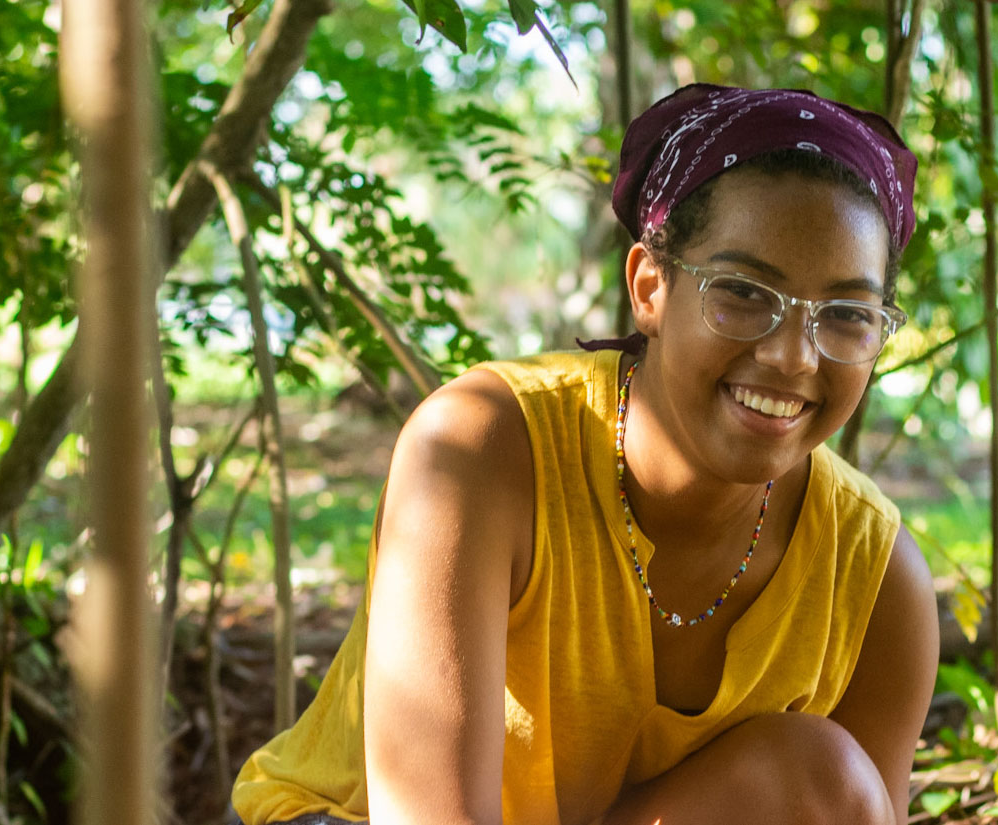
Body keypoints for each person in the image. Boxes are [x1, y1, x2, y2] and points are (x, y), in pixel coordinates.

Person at [231, 82, 940, 825]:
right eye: (742, 291)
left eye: (847, 315)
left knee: (823, 784)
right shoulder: (482, 449)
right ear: (649, 286)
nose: (793, 356)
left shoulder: (874, 575)